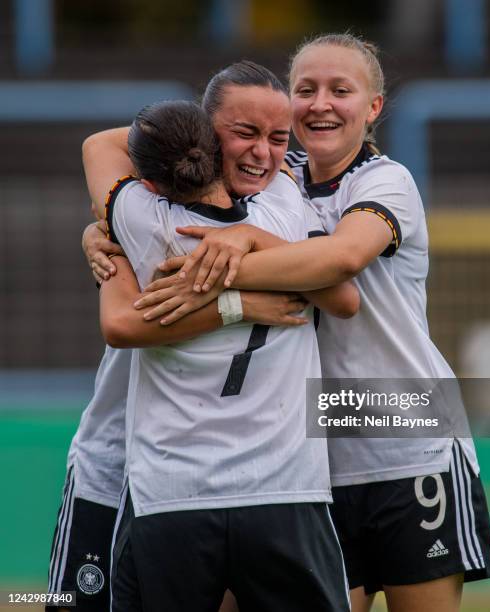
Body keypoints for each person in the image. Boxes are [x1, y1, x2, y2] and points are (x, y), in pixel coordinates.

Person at [136, 35, 490, 612]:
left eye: (341, 90)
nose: (320, 103)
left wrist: (231, 258)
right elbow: (125, 147)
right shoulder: (272, 172)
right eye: (305, 89)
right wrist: (100, 224)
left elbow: (340, 264)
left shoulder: (385, 182)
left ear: (373, 108)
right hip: (316, 453)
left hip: (409, 438)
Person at [49, 60, 357, 612]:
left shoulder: (142, 219)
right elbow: (343, 297)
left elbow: (101, 146)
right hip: (146, 469)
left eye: (277, 138)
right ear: (206, 135)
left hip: (172, 486)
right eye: (243, 133)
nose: (264, 153)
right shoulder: (285, 210)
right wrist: (241, 294)